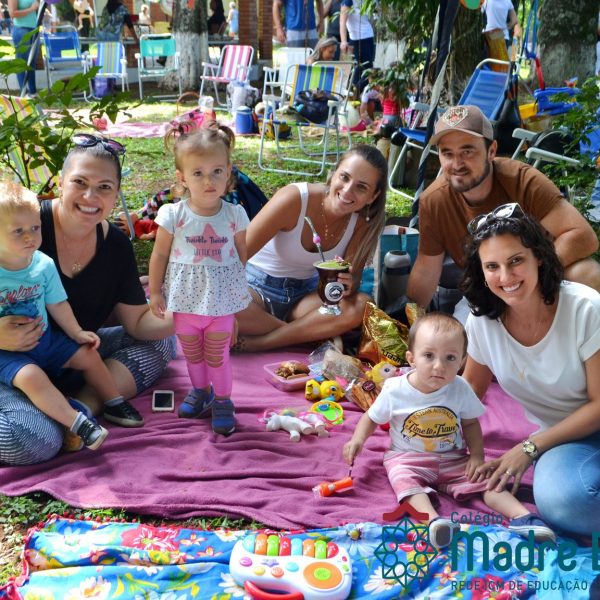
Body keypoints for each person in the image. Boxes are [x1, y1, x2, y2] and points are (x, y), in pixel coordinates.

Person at [0, 133, 175, 466]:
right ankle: (53, 420)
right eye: (79, 182)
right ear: (61, 182)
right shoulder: (20, 224)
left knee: (165, 341)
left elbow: (138, 324)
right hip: (10, 366)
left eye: (104, 187)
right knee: (31, 440)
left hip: (67, 354)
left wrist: (196, 314)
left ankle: (80, 408)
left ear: (116, 194)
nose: (90, 196)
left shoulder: (116, 246)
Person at [343, 313, 555, 548]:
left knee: (485, 480)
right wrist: (357, 440)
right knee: (404, 482)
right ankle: (434, 523)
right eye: (429, 356)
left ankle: (522, 516)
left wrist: (476, 456)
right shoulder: (395, 389)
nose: (439, 366)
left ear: (462, 361)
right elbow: (371, 418)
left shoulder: (460, 387)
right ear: (411, 358)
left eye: (450, 358)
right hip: (407, 458)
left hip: (453, 458)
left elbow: (470, 424)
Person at [460, 206, 600, 536]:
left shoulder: (585, 308)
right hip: (567, 439)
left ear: (538, 256)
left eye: (515, 261)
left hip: (573, 428)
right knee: (564, 503)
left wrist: (529, 448)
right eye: (492, 266)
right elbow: (469, 393)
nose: (506, 277)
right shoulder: (482, 322)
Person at [407, 105, 600, 314]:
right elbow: (426, 268)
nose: (457, 164)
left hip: (541, 281)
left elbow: (584, 237)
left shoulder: (523, 182)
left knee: (587, 273)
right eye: (447, 153)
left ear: (491, 151)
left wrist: (530, 273)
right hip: (487, 293)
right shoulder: (434, 201)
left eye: (467, 151)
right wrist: (407, 322)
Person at [149, 123, 250, 436]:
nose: (209, 181)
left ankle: (223, 400)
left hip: (220, 305)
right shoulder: (173, 214)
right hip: (185, 303)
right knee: (192, 354)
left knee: (217, 356)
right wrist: (156, 292)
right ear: (182, 178)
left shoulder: (235, 215)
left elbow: (241, 256)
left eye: (217, 171)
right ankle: (201, 391)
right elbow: (159, 255)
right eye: (198, 173)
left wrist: (233, 300)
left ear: (228, 172)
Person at [235, 144, 387, 352]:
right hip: (255, 289)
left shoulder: (361, 223)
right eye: (344, 177)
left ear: (373, 196)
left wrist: (349, 283)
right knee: (222, 301)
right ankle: (305, 335)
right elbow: (235, 258)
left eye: (361, 187)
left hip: (305, 299)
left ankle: (263, 342)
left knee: (361, 304)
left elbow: (352, 281)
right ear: (333, 174)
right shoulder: (295, 198)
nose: (347, 190)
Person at [0, 181, 117, 451]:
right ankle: (79, 424)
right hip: (8, 354)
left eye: (35, 228)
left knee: (89, 353)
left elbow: (57, 303)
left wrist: (77, 333)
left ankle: (115, 402)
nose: (30, 237)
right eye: (18, 231)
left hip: (46, 340)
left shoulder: (42, 264)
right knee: (32, 378)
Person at [339, 0, 375, 91]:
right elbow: (342, 21)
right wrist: (343, 41)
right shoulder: (348, 1)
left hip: (367, 36)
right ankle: (354, 92)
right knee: (357, 69)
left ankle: (357, 93)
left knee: (366, 69)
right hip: (355, 39)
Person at [8, 0, 39, 96]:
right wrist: (31, 9)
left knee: (32, 63)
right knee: (22, 63)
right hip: (21, 29)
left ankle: (33, 93)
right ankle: (24, 93)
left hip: (34, 29)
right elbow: (12, 13)